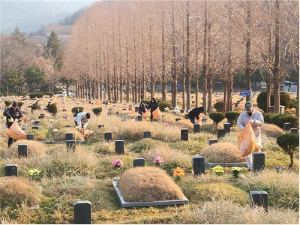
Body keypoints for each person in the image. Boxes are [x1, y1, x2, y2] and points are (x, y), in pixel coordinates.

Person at [237, 101, 264, 170]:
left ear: (252, 107)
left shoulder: (258, 114)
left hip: (256, 135)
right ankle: (250, 167)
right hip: (247, 136)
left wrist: (254, 121)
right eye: (247, 109)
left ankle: (257, 166)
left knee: (257, 150)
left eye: (249, 109)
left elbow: (261, 123)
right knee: (247, 152)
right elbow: (239, 122)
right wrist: (243, 129)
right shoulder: (242, 114)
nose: (248, 111)